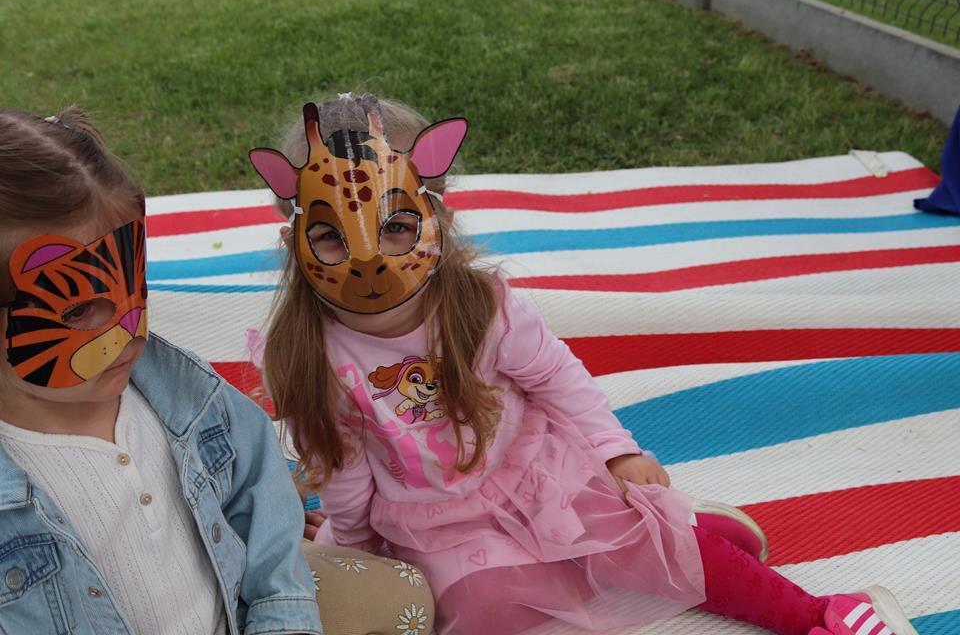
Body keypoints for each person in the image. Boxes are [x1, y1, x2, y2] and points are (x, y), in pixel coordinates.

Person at [251, 93, 918, 635]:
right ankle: (674, 533)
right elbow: (344, 467)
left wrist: (615, 452)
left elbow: (558, 379)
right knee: (484, 611)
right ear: (295, 238)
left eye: (397, 226)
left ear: (437, 219)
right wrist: (355, 552)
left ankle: (817, 614)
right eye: (331, 235)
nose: (369, 260)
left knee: (639, 541)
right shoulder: (308, 353)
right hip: (435, 522)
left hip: (537, 472)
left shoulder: (481, 307)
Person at [0, 107, 433, 635]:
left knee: (405, 595)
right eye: (75, 310)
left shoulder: (181, 391)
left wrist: (281, 611)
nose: (127, 327)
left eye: (132, 282)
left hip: (238, 614)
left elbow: (263, 512)